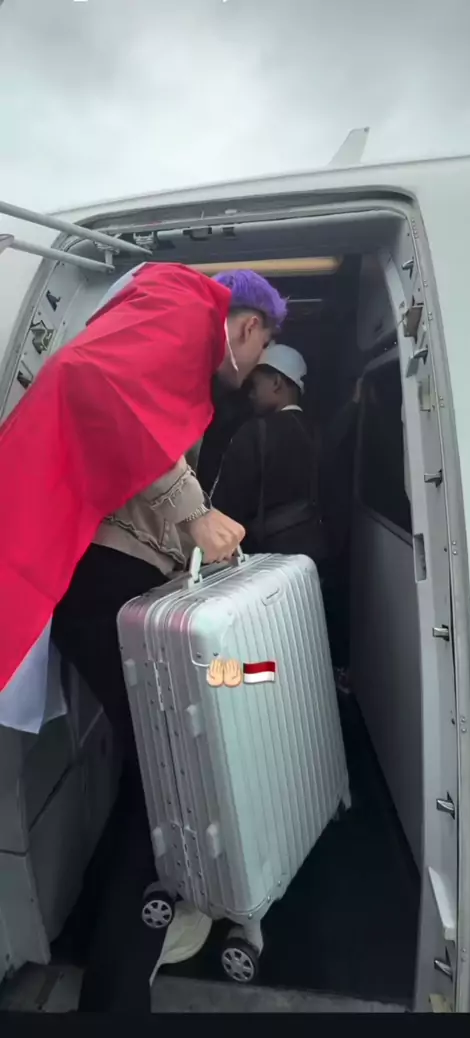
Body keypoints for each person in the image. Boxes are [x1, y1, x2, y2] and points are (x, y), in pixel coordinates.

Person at [0, 262, 287, 1009]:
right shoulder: (183, 317)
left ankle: (112, 931)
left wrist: (194, 538)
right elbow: (90, 382)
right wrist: (193, 510)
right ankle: (115, 995)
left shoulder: (177, 349)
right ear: (248, 327)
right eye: (261, 347)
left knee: (152, 770)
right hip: (106, 582)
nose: (256, 362)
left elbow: (130, 438)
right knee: (169, 779)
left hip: (114, 581)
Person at [212, 343, 328, 569]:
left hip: (265, 563)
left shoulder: (253, 432)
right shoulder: (318, 433)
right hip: (312, 558)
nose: (251, 395)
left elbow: (226, 506)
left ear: (276, 382)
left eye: (254, 385)